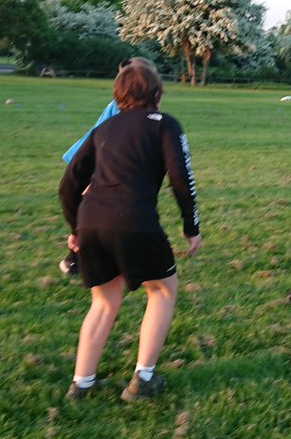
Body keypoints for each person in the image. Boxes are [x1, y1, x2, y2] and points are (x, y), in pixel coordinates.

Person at [59, 61, 201, 402]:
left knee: (104, 302)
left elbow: (69, 184)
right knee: (163, 290)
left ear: (118, 95)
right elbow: (181, 178)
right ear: (157, 94)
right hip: (134, 221)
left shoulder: (103, 129)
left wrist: (76, 228)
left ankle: (82, 384)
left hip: (92, 221)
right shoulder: (165, 124)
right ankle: (143, 379)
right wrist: (191, 226)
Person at [58, 58, 147, 275]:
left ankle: (81, 257)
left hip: (91, 161)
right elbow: (105, 141)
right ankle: (77, 258)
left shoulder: (127, 105)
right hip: (90, 163)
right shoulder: (121, 108)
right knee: (96, 211)